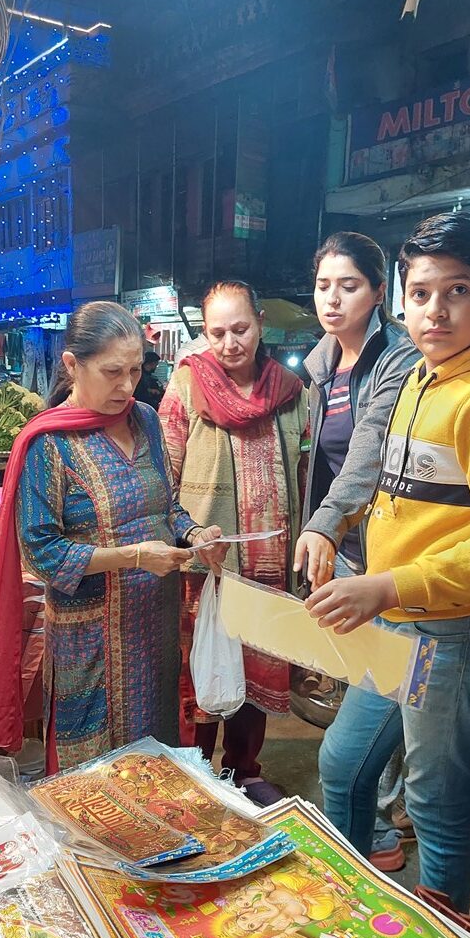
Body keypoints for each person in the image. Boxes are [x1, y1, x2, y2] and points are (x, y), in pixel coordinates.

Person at [307, 212, 470, 912]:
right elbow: (393, 487)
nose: (435, 311)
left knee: (435, 798)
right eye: (421, 294)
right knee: (344, 766)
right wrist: (337, 530)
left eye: (458, 292)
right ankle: (356, 909)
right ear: (402, 300)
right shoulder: (420, 378)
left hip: (463, 630)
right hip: (401, 621)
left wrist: (386, 584)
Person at [0, 301, 226, 770]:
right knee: (92, 776)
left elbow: (166, 505)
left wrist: (195, 534)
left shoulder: (145, 420)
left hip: (155, 627)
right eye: (112, 372)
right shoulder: (48, 443)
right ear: (72, 366)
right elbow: (42, 552)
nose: (127, 385)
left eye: (135, 369)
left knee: (156, 762)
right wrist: (132, 557)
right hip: (90, 640)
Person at [295, 232, 418, 872]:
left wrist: (324, 521)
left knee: (386, 684)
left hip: (389, 548)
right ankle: (372, 825)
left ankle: (379, 829)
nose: (333, 298)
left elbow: (368, 452)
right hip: (346, 545)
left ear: (377, 292)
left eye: (349, 285)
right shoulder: (320, 363)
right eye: (323, 285)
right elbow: (319, 456)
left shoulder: (396, 359)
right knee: (361, 682)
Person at [159, 280, 309, 806]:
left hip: (270, 564)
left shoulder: (290, 392)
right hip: (208, 565)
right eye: (217, 332)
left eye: (240, 329)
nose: (229, 343)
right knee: (201, 668)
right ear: (204, 333)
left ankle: (244, 769)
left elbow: (308, 472)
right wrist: (186, 534)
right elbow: (164, 473)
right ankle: (196, 770)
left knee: (257, 669)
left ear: (260, 323)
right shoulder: (186, 389)